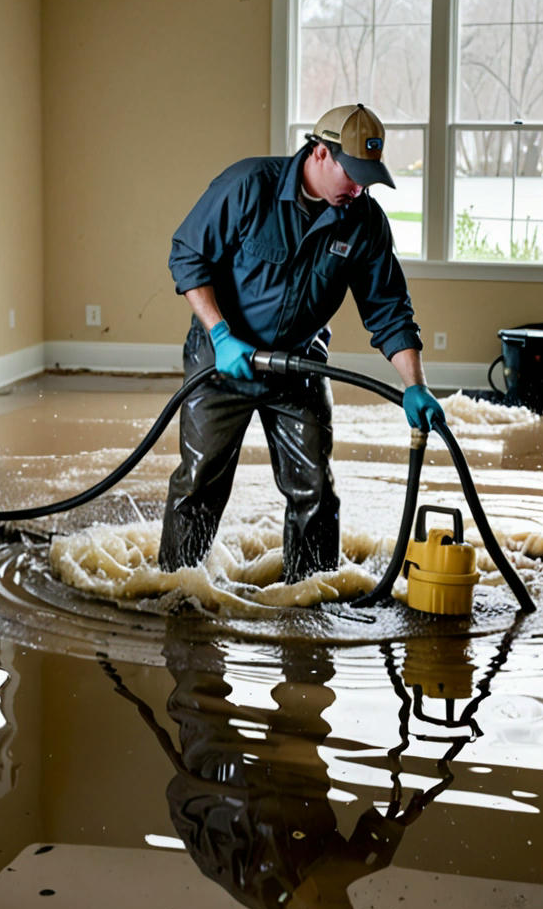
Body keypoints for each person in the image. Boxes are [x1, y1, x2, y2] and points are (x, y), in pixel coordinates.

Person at [158, 103, 444, 584]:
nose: (359, 188)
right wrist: (221, 335)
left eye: (368, 177)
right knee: (200, 481)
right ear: (319, 152)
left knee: (314, 489)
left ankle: (311, 595)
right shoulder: (249, 185)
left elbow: (389, 308)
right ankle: (175, 589)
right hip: (223, 360)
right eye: (352, 174)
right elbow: (188, 256)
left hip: (298, 363)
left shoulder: (364, 222)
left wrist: (415, 385)